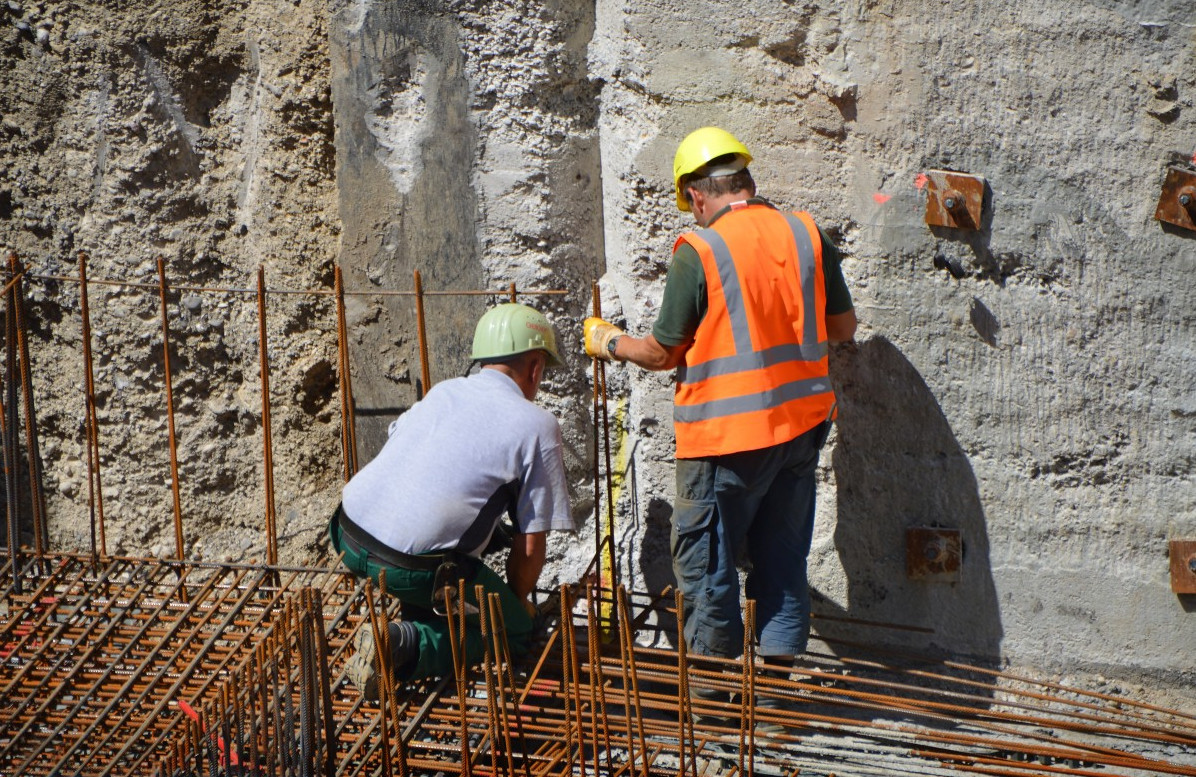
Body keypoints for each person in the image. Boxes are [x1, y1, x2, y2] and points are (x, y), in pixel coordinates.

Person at [583, 127, 856, 718]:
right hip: (800, 432)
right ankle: (778, 689)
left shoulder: (700, 249)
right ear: (746, 184)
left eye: (690, 203)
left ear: (696, 193)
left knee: (706, 563)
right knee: (783, 557)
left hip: (725, 442)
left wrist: (609, 343)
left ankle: (711, 699)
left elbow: (662, 353)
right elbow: (842, 329)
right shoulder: (806, 233)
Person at [332, 302, 575, 699]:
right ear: (535, 368)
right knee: (512, 631)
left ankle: (416, 617)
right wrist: (516, 608)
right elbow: (530, 547)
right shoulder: (538, 425)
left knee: (450, 569)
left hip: (347, 533)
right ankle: (403, 645)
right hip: (407, 567)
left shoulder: (444, 391)